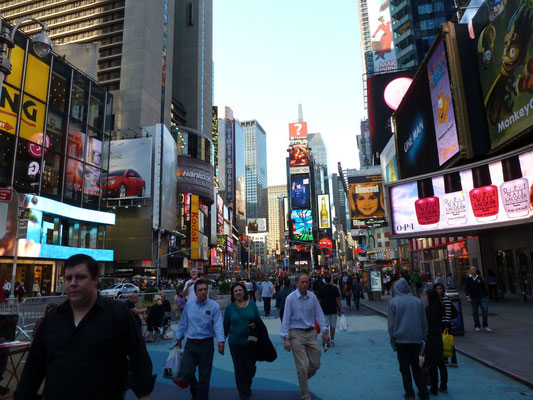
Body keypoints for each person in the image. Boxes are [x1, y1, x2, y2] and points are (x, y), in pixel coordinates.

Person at [15, 253, 155, 399]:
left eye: (80, 277)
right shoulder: (52, 319)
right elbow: (33, 369)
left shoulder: (118, 314)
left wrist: (144, 395)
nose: (73, 283)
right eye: (68, 278)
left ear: (95, 280)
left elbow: (140, 360)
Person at [280, 273, 329, 400]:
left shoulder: (312, 296)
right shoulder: (290, 298)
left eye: (306, 282)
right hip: (296, 334)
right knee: (301, 367)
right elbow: (286, 318)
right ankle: (304, 395)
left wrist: (324, 331)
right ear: (297, 283)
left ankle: (303, 377)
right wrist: (285, 338)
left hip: (311, 333)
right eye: (302, 282)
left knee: (316, 364)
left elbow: (319, 314)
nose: (304, 284)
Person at [174, 279, 225, 400]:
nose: (203, 292)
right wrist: (178, 338)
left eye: (205, 290)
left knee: (204, 377)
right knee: (186, 372)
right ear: (195, 292)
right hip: (191, 344)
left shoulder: (214, 306)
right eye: (200, 290)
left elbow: (218, 324)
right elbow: (183, 323)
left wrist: (221, 341)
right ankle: (195, 388)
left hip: (206, 345)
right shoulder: (189, 305)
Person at [388, 278, 429, 400]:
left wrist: (392, 340)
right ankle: (423, 392)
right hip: (416, 339)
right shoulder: (418, 301)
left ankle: (409, 393)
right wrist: (424, 337)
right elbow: (424, 321)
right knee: (417, 367)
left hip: (401, 340)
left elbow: (391, 325)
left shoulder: (394, 302)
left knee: (404, 369)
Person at [223, 283, 260, 400]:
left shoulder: (252, 305)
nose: (238, 292)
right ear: (233, 294)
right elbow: (225, 325)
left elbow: (258, 320)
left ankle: (248, 383)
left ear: (244, 292)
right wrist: (221, 341)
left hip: (251, 342)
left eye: (240, 290)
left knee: (249, 367)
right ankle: (243, 392)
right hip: (235, 343)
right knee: (239, 368)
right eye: (235, 291)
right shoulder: (230, 308)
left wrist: (255, 324)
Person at [425, 289, 448, 395]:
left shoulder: (429, 309)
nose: (425, 297)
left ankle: (434, 388)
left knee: (432, 365)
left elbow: (427, 324)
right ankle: (443, 386)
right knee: (441, 364)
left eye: (426, 296)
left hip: (431, 337)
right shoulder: (440, 306)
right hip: (438, 336)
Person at [434, 283, 458, 367]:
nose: (439, 290)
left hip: (445, 324)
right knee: (443, 342)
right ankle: (445, 360)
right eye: (437, 289)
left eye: (440, 288)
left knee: (448, 342)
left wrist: (447, 324)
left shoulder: (445, 299)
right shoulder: (436, 299)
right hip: (439, 323)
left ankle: (453, 360)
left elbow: (448, 313)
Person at [317, 274, 344, 347]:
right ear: (331, 280)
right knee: (333, 326)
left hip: (324, 310)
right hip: (333, 309)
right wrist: (341, 308)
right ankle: (332, 340)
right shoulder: (334, 288)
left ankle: (326, 340)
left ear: (324, 280)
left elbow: (319, 300)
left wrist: (316, 310)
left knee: (325, 326)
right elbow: (338, 299)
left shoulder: (321, 289)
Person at [464, 266, 491, 332]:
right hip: (473, 298)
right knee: (475, 312)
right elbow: (466, 288)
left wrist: (486, 296)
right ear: (470, 271)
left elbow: (484, 287)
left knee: (485, 310)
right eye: (472, 269)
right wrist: (468, 297)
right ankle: (477, 325)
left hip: (481, 297)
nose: (474, 270)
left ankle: (485, 325)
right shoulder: (468, 279)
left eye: (475, 269)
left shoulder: (479, 278)